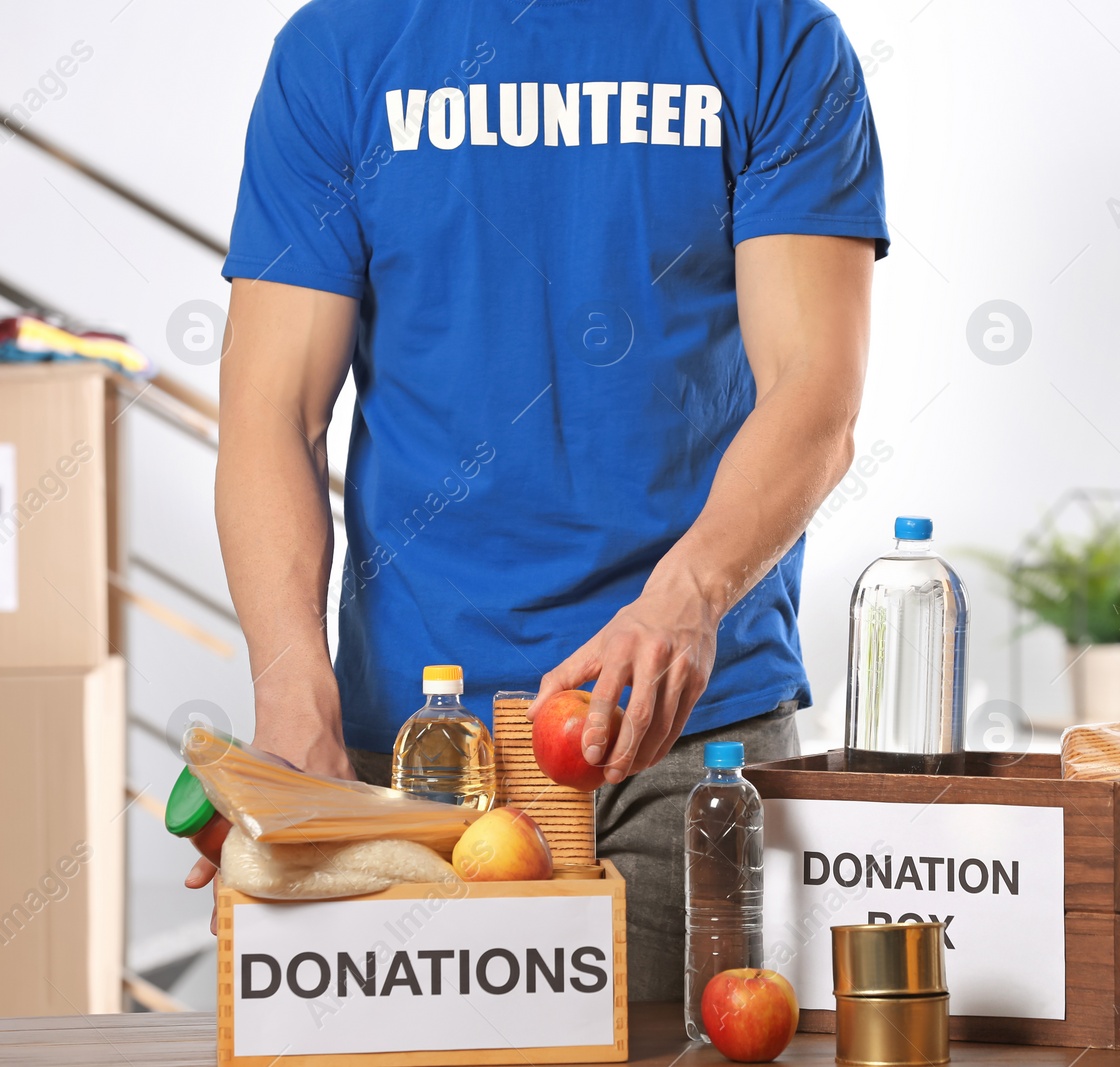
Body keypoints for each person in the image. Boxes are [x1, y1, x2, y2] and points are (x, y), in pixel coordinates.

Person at [186, 0, 887, 999]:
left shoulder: (770, 37)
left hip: (692, 733)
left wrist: (681, 598)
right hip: (418, 741)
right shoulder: (342, 49)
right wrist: (292, 692)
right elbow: (271, 415)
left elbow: (816, 392)